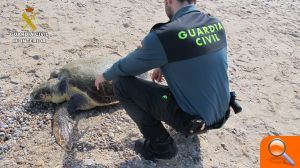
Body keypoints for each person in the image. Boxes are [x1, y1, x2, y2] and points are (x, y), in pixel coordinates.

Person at [95, 0, 232, 160]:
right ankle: (197, 125)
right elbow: (195, 54)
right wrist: (161, 64)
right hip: (222, 114)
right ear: (194, 1)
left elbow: (127, 67)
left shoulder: (164, 36)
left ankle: (161, 146)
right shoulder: (215, 23)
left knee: (121, 84)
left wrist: (104, 75)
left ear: (169, 1)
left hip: (191, 121)